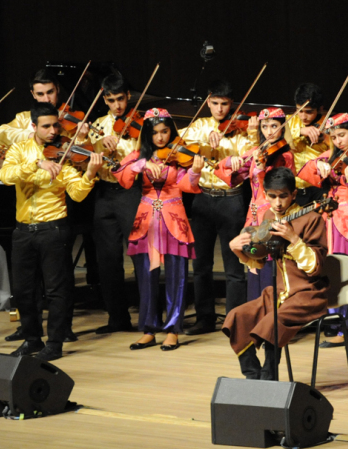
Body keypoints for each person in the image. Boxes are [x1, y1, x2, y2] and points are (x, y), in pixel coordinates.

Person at [0, 102, 102, 361]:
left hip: (53, 229)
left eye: (56, 125)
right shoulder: (20, 149)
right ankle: (32, 340)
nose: (54, 131)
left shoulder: (65, 154)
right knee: (23, 291)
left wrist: (89, 173)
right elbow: (5, 175)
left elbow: (76, 194)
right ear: (34, 126)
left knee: (57, 290)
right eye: (47, 126)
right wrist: (37, 164)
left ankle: (54, 343)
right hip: (23, 231)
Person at [223, 167, 328, 380]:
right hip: (279, 293)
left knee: (273, 322)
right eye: (272, 196)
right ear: (265, 194)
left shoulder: (311, 219)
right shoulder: (269, 215)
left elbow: (315, 266)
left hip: (309, 294)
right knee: (237, 316)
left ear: (294, 194)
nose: (278, 202)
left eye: (283, 196)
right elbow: (259, 260)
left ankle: (268, 379)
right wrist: (236, 249)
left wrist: (293, 239)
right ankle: (253, 377)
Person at [113, 108, 203, 351]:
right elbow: (122, 178)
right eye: (155, 133)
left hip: (174, 217)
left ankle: (173, 329)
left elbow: (187, 185)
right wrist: (139, 165)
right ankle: (149, 328)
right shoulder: (137, 156)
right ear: (147, 135)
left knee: (177, 275)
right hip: (146, 219)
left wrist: (194, 171)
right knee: (146, 275)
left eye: (165, 132)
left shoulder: (178, 154)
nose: (161, 138)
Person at [180, 80, 258, 335]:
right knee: (201, 263)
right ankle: (204, 318)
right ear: (208, 101)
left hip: (231, 199)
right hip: (203, 198)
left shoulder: (242, 131)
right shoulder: (198, 126)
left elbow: (250, 158)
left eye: (225, 104)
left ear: (232, 104)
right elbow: (176, 146)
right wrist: (204, 138)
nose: (220, 109)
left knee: (234, 264)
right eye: (215, 103)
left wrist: (238, 157)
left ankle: (234, 321)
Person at [297, 113, 348, 350]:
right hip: (329, 221)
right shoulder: (330, 156)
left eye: (342, 135)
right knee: (331, 275)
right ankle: (338, 327)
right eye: (333, 137)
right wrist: (318, 164)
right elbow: (305, 170)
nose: (339, 141)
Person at [214, 107, 295, 301]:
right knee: (254, 266)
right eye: (265, 126)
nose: (269, 131)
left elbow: (278, 185)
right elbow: (226, 172)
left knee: (269, 269)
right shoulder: (257, 151)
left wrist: (260, 170)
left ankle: (272, 320)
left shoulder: (285, 156)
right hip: (253, 217)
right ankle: (256, 318)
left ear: (282, 128)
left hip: (272, 216)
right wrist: (230, 160)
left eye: (274, 126)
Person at [88, 73, 141, 334]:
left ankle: (148, 316)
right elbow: (83, 152)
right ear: (104, 99)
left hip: (131, 192)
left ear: (128, 96)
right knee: (107, 260)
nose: (117, 106)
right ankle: (117, 318)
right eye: (111, 101)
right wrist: (98, 143)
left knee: (140, 256)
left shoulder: (141, 122)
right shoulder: (97, 124)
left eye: (121, 99)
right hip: (104, 194)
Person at [0, 68, 89, 150]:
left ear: (58, 89)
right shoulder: (24, 117)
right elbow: (0, 133)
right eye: (40, 94)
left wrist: (80, 138)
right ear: (33, 94)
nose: (47, 100)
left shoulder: (70, 124)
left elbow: (78, 158)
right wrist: (31, 135)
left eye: (50, 92)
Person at [287, 83, 330, 205]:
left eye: (309, 112)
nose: (303, 116)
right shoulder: (287, 122)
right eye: (299, 111)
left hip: (319, 186)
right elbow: (275, 135)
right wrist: (299, 131)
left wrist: (327, 138)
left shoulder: (329, 125)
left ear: (321, 109)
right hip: (293, 187)